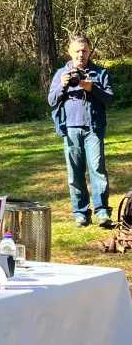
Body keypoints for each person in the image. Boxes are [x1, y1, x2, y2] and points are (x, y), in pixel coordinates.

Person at [48, 36, 114, 227]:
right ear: (70, 52)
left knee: (98, 170)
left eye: (84, 50)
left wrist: (92, 87)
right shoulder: (62, 73)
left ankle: (102, 212)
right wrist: (62, 84)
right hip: (70, 129)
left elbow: (109, 99)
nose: (81, 54)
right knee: (75, 175)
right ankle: (80, 213)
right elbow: (52, 101)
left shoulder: (100, 73)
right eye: (77, 51)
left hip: (94, 129)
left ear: (89, 51)